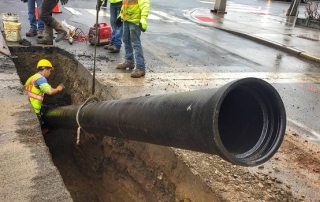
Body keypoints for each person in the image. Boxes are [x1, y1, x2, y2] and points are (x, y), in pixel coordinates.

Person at [25, 59, 64, 134]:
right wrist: (58, 89)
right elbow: (50, 91)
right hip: (34, 110)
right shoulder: (41, 79)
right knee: (36, 131)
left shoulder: (32, 78)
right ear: (45, 70)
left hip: (28, 107)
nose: (50, 73)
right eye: (50, 71)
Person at [116, 0, 150, 78]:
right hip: (126, 19)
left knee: (135, 43)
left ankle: (140, 68)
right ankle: (129, 61)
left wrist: (143, 18)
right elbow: (125, 4)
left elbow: (145, 4)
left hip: (135, 21)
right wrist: (121, 15)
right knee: (126, 40)